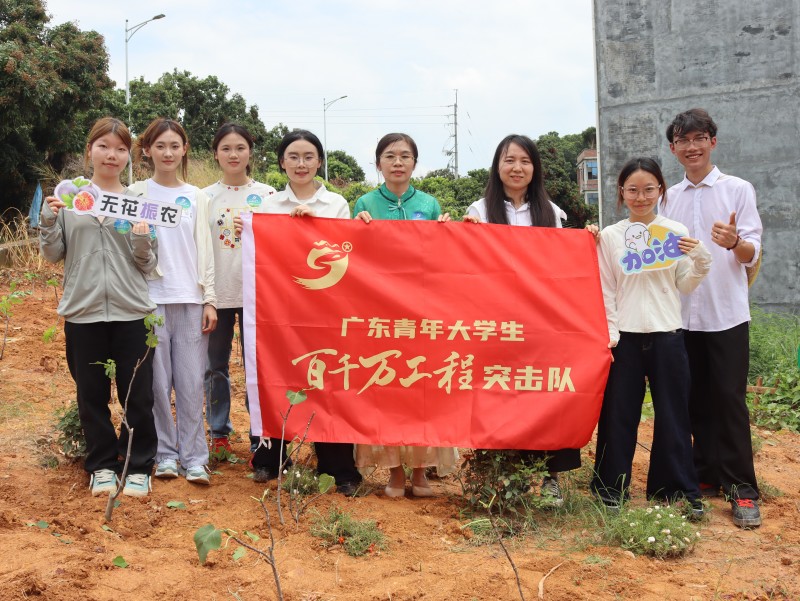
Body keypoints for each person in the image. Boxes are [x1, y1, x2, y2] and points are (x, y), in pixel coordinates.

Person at [239, 129, 363, 495]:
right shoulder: (267, 205)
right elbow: (261, 254)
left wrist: (315, 228)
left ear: (320, 161)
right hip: (278, 311)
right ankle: (270, 458)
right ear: (282, 162)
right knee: (275, 377)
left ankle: (337, 466)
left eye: (309, 156)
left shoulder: (336, 204)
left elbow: (346, 252)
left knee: (327, 381)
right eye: (293, 156)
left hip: (325, 312)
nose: (301, 163)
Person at [40, 117, 158, 497]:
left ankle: (138, 465)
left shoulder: (138, 203)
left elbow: (148, 264)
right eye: (104, 146)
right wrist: (49, 220)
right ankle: (102, 465)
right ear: (89, 150)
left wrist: (142, 239)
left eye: (120, 149)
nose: (111, 155)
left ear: (129, 156)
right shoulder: (71, 200)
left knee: (137, 394)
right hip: (83, 312)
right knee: (90, 394)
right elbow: (53, 254)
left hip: (132, 312)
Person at [590, 157, 711, 516]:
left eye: (648, 189)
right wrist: (611, 333)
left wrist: (701, 261)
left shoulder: (674, 231)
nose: (640, 197)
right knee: (617, 414)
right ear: (621, 192)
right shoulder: (610, 236)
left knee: (673, 415)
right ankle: (611, 490)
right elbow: (606, 289)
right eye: (633, 190)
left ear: (660, 190)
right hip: (624, 339)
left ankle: (675, 490)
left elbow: (683, 284)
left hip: (667, 336)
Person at [661, 108, 764, 528]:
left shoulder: (737, 189)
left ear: (712, 142)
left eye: (699, 138)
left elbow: (752, 252)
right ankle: (704, 473)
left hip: (726, 314)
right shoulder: (668, 197)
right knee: (693, 399)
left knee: (729, 400)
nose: (692, 147)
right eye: (683, 141)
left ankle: (742, 488)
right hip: (682, 315)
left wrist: (735, 241)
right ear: (674, 149)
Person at [462, 134, 573, 507]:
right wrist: (464, 235)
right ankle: (500, 475)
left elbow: (564, 266)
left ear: (535, 168)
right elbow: (466, 264)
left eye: (525, 161)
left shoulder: (551, 213)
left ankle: (550, 476)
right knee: (498, 394)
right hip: (496, 322)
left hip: (540, 321)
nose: (517, 168)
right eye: (509, 160)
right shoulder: (479, 211)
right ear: (497, 166)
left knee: (544, 394)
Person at [353, 132, 456, 498]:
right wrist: (356, 228)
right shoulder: (364, 203)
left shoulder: (429, 204)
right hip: (380, 312)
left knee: (421, 388)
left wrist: (446, 232)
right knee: (387, 389)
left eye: (405, 156)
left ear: (415, 163)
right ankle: (395, 472)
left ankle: (421, 471)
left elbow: (441, 258)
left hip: (421, 310)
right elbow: (352, 254)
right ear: (378, 163)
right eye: (390, 156)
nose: (397, 162)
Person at [131, 118, 218, 485]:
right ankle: (166, 454)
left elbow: (206, 250)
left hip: (190, 299)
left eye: (174, 146)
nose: (167, 152)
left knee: (191, 382)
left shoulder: (198, 197)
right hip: (149, 300)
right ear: (147, 150)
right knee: (156, 383)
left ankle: (195, 457)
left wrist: (209, 299)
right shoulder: (135, 194)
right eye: (160, 146)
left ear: (184, 150)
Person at [203, 123, 276, 460]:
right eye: (226, 148)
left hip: (256, 296)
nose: (233, 155)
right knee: (214, 367)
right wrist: (206, 295)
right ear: (215, 154)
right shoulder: (204, 197)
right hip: (216, 295)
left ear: (250, 152)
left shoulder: (269, 196)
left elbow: (281, 244)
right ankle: (219, 433)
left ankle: (259, 435)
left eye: (240, 148)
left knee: (256, 369)